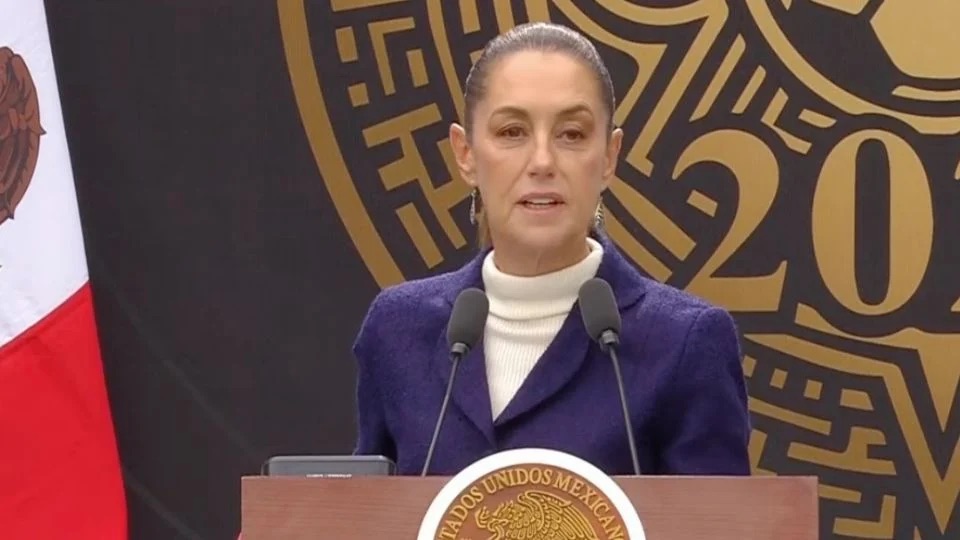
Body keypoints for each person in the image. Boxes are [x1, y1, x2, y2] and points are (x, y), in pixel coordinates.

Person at [351, 21, 751, 476]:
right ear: (465, 153)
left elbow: (719, 512)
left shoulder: (685, 342)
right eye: (512, 132)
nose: (542, 162)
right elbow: (363, 507)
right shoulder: (398, 330)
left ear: (609, 156)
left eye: (572, 134)